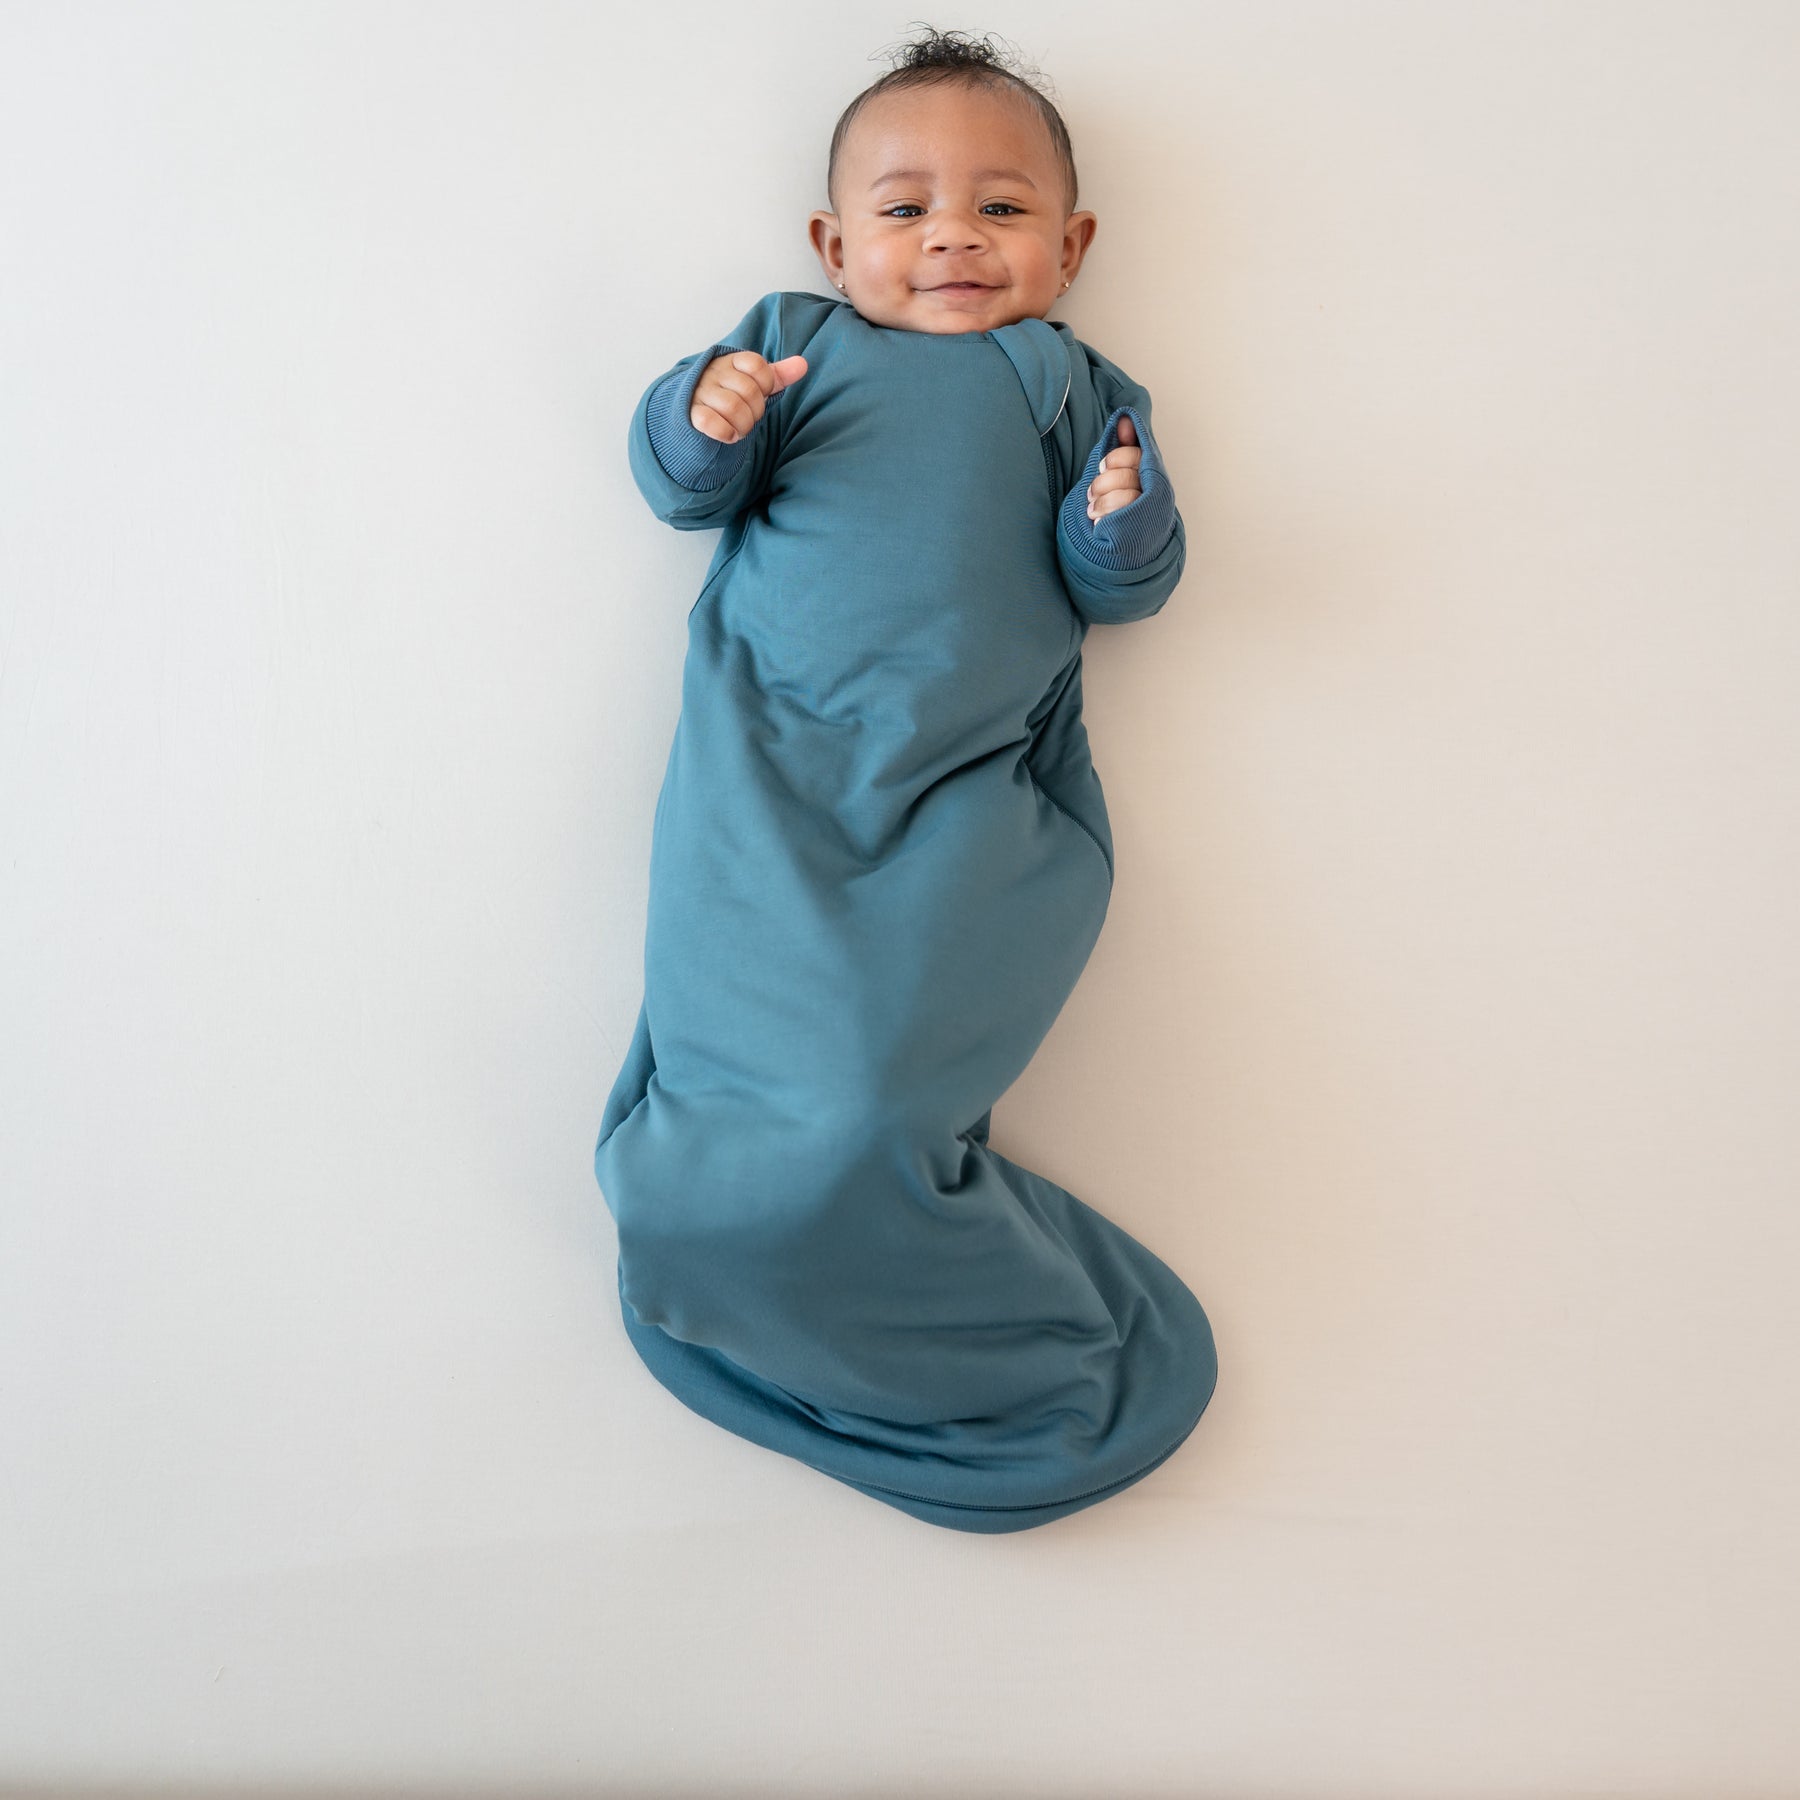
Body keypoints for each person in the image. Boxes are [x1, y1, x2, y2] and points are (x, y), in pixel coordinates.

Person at [594, 27, 1218, 1532]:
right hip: (771, 772)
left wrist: (1123, 521)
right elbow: (684, 490)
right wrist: (701, 415)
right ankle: (720, 1232)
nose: (953, 236)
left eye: (1002, 210)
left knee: (868, 1097)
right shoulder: (792, 345)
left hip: (965, 790)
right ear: (833, 245)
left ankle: (944, 1313)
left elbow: (1122, 589)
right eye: (905, 208)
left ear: (1070, 248)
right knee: (740, 1092)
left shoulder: (1071, 385)